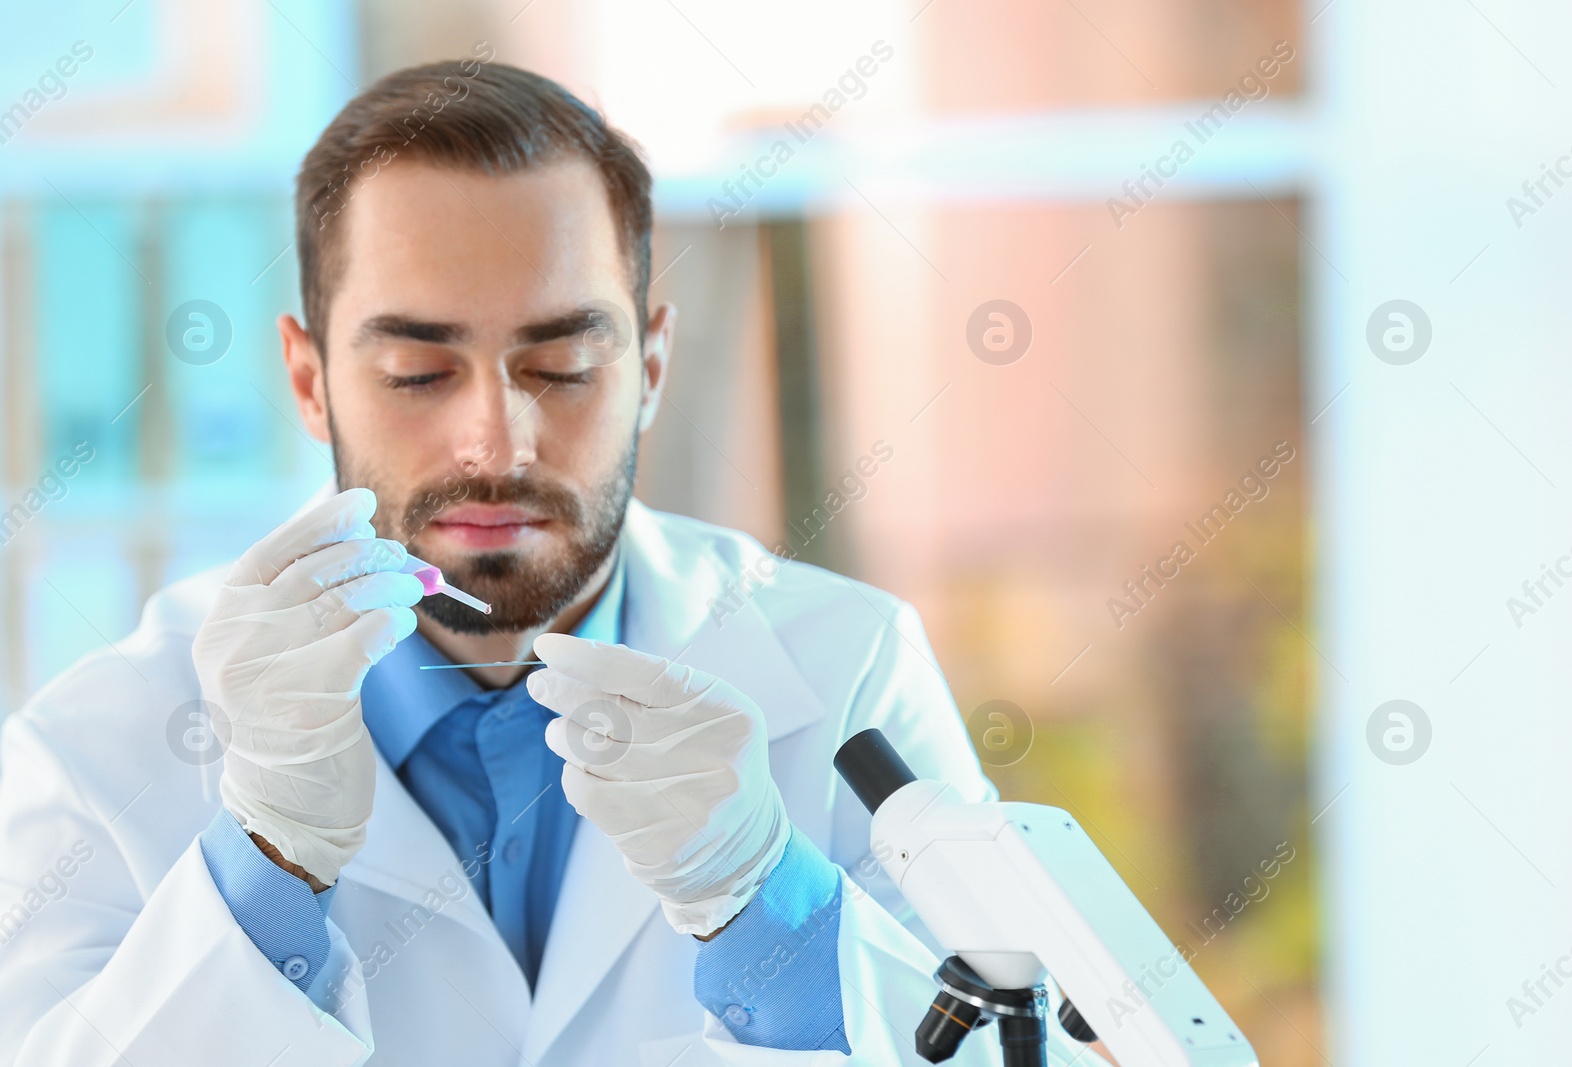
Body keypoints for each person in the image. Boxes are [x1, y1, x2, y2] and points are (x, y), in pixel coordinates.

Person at [0, 59, 1103, 1065]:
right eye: (418, 372)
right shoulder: (100, 739)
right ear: (307, 376)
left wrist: (770, 902)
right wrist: (265, 862)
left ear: (652, 362)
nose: (497, 443)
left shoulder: (849, 664)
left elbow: (1029, 1045)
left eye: (564, 364)